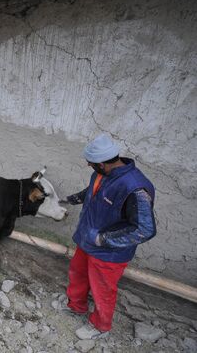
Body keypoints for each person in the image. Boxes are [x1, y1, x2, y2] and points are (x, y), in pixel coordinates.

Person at [60, 134, 156, 340]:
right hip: (87, 240)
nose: (88, 165)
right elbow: (91, 192)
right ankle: (76, 306)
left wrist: (103, 239)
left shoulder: (135, 188)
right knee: (77, 274)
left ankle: (100, 326)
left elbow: (144, 229)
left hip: (108, 253)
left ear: (102, 164)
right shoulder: (101, 174)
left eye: (91, 163)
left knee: (102, 290)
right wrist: (70, 199)